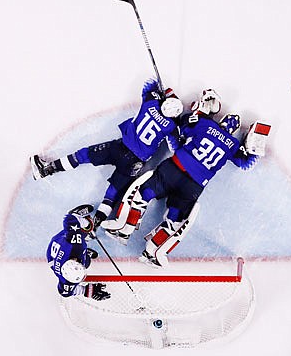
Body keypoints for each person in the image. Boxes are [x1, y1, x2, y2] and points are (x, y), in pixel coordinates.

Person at [100, 89, 266, 267]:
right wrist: (254, 145)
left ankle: (125, 229)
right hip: (193, 186)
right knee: (174, 219)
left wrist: (200, 111)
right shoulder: (233, 145)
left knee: (143, 195)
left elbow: (183, 127)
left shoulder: (207, 126)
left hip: (174, 169)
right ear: (234, 132)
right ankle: (152, 253)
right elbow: (246, 164)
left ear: (222, 121)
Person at [31, 79, 184, 228]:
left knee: (83, 155)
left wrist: (165, 93)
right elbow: (175, 147)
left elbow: (148, 85)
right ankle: (95, 225)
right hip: (135, 162)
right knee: (113, 192)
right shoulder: (171, 127)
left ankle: (47, 169)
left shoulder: (150, 104)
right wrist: (178, 126)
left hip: (119, 147)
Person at [47, 205, 110, 300]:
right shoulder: (67, 278)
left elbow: (68, 219)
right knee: (87, 263)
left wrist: (85, 224)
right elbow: (64, 293)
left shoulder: (73, 244)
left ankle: (77, 214)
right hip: (58, 258)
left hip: (59, 245)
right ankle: (86, 252)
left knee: (85, 230)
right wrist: (89, 291)